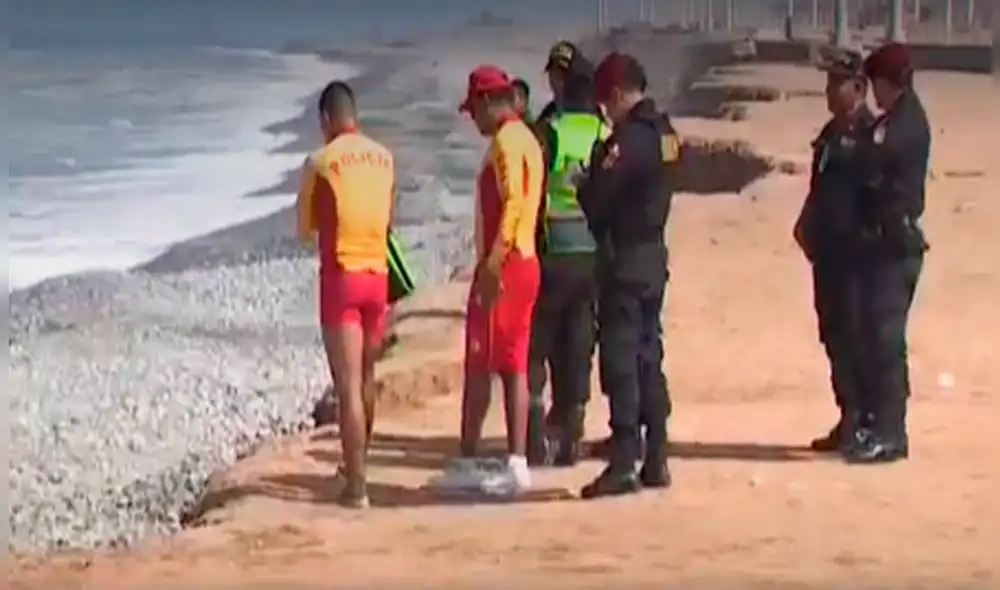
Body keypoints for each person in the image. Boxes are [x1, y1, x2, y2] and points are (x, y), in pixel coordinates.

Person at [432, 65, 544, 494]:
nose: (471, 121)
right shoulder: (526, 140)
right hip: (522, 259)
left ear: (484, 102)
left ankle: (489, 459)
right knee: (503, 359)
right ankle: (495, 457)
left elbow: (514, 199)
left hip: (508, 264)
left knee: (493, 363)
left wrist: (495, 257)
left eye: (472, 111)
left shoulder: (506, 143)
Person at [576, 53, 678, 498]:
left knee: (621, 359)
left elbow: (598, 202)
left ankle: (623, 461)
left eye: (605, 104)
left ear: (617, 95)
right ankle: (656, 454)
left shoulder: (629, 140)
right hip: (654, 254)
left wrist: (588, 181)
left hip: (626, 259)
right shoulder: (665, 133)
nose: (604, 112)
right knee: (648, 355)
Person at [295, 80, 396, 508]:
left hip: (342, 278)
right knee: (368, 378)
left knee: (348, 386)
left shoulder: (320, 162)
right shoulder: (384, 157)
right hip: (379, 276)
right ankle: (360, 463)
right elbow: (388, 219)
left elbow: (306, 228)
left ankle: (357, 487)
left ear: (324, 121)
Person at [847, 42, 930, 464]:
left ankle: (891, 432)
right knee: (871, 337)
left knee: (885, 340)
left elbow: (871, 159)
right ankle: (876, 424)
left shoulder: (904, 124)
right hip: (881, 245)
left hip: (894, 246)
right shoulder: (895, 121)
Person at [793, 47, 875, 453]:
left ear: (858, 87)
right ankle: (848, 416)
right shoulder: (830, 135)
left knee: (856, 337)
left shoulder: (869, 136)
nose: (828, 91)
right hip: (828, 255)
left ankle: (864, 419)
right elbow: (820, 190)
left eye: (836, 83)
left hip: (854, 257)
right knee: (834, 337)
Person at [527, 66, 609, 467]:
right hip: (591, 252)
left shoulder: (550, 129)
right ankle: (572, 435)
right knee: (578, 342)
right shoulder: (603, 132)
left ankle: (535, 431)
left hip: (552, 249)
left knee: (538, 343)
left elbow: (533, 190)